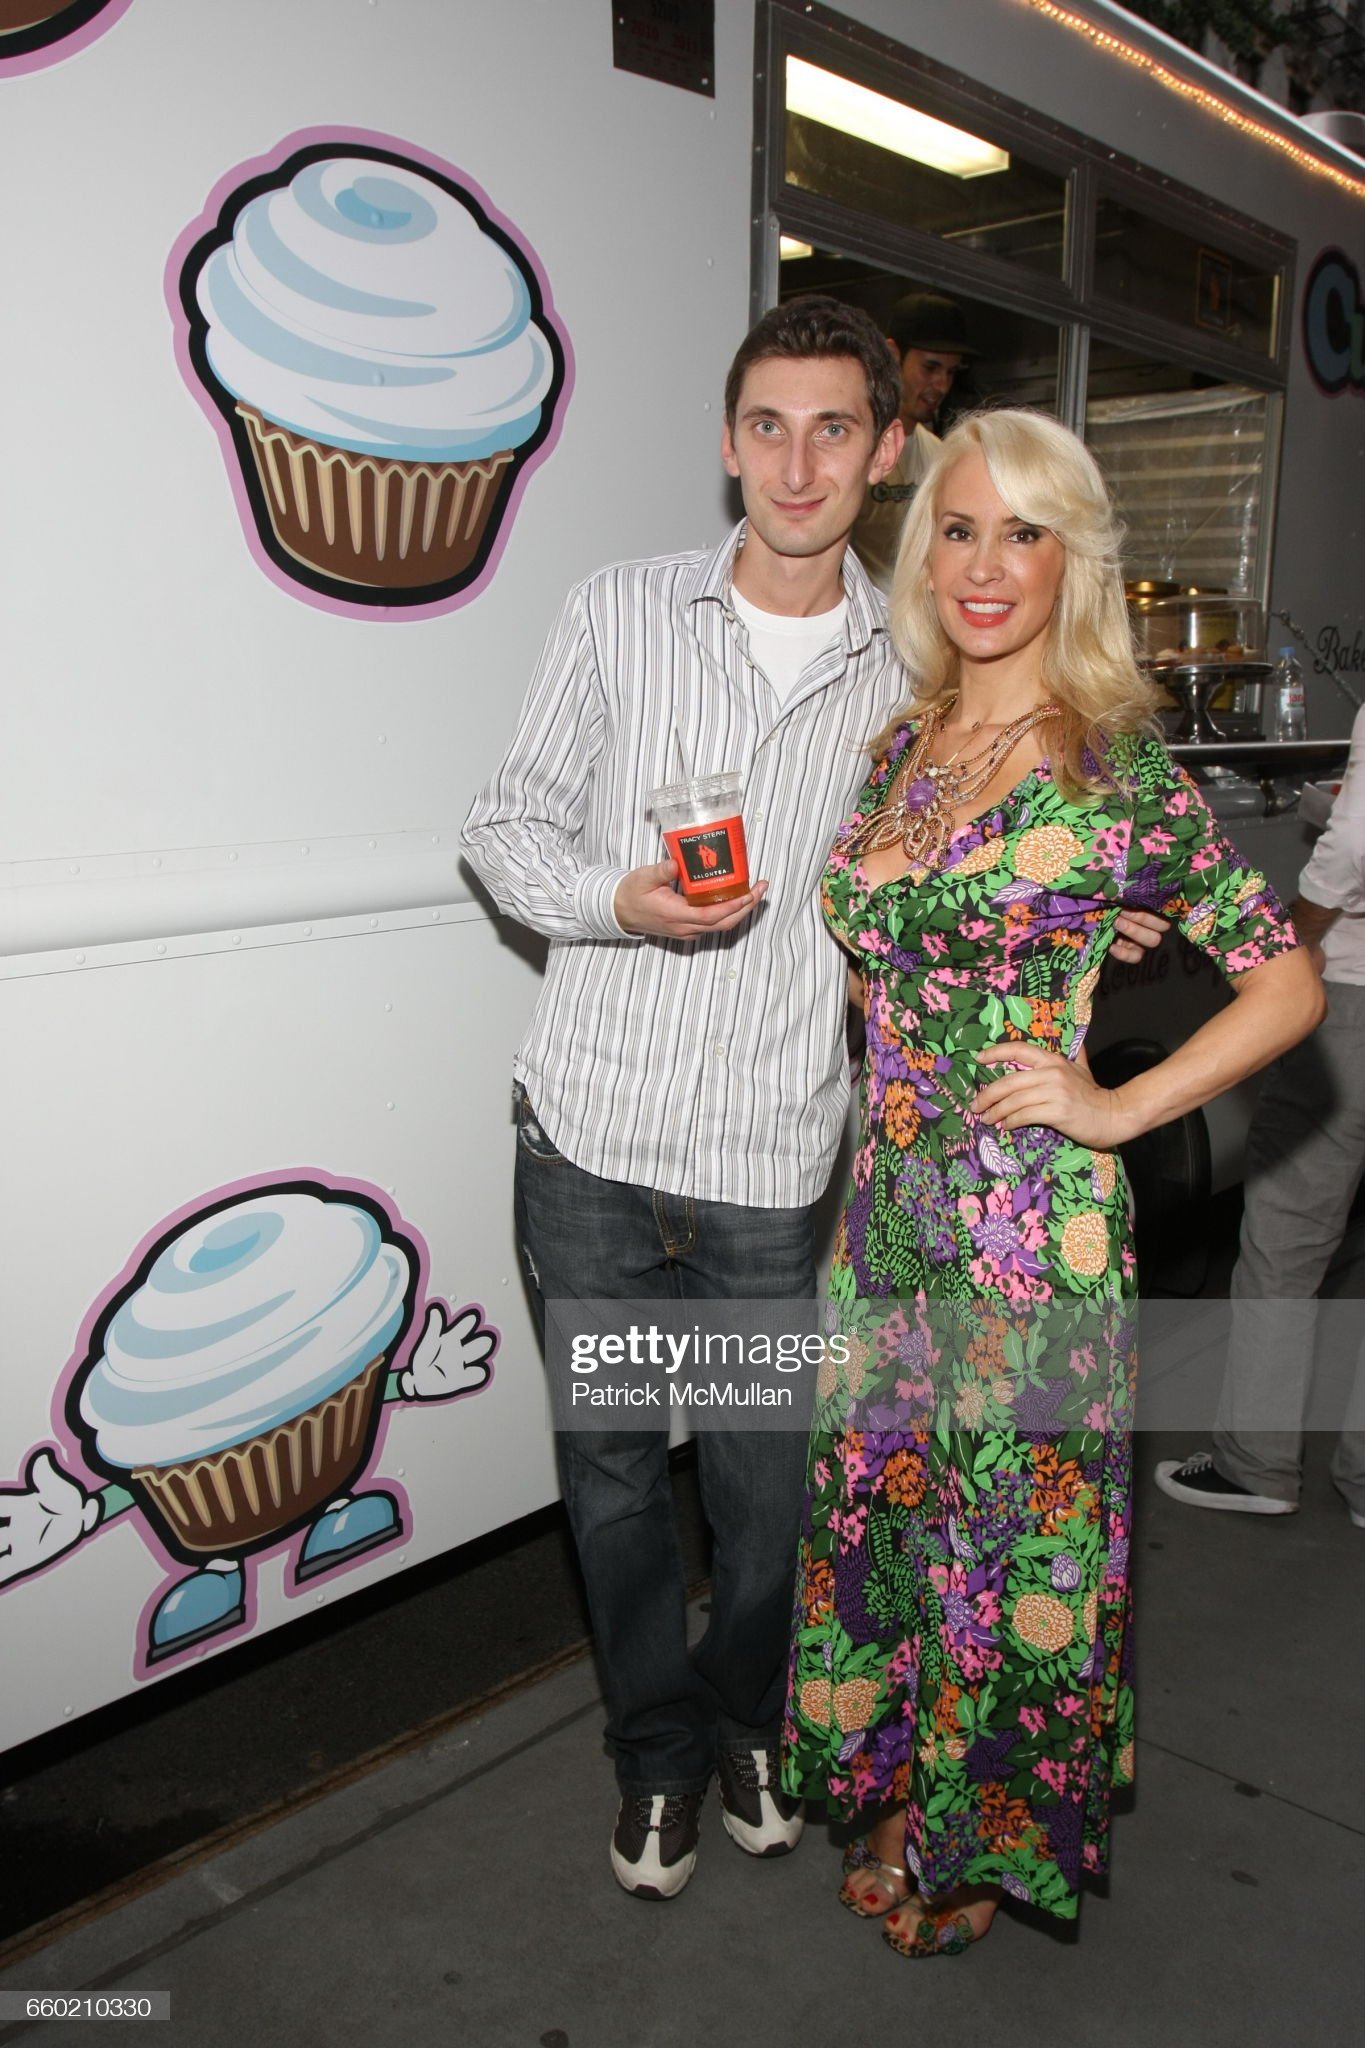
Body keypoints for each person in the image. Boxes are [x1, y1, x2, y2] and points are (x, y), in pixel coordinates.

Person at [462, 302, 1162, 1904]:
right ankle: (655, 1757)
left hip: (775, 1162)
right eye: (767, 427)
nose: (797, 464)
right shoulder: (617, 611)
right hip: (591, 1139)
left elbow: (1008, 829)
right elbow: (502, 828)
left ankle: (748, 1719)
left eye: (833, 428)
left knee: (772, 1488)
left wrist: (1086, 904)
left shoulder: (917, 670)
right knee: (615, 1483)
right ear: (727, 443)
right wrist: (616, 902)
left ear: (886, 449)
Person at [782, 408, 1323, 1957]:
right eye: (958, 528)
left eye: (1023, 532)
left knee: (1003, 1544)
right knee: (888, 1517)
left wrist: (1116, 1103)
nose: (985, 563)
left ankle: (977, 1846)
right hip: (887, 1216)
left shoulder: (1113, 765)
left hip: (1031, 1236)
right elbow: (879, 956)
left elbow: (1286, 984)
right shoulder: (900, 744)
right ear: (922, 554)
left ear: (1070, 561)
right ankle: (897, 1790)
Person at [1156, 701, 1365, 1527]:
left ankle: (1256, 1464)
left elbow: (1350, 843)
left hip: (1350, 992)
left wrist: (1296, 936)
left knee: (1287, 1235)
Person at [850, 289, 974, 593]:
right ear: (893, 355)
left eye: (950, 372)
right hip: (861, 615)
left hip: (921, 617)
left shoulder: (942, 456)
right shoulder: (855, 451)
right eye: (930, 367)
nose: (941, 385)